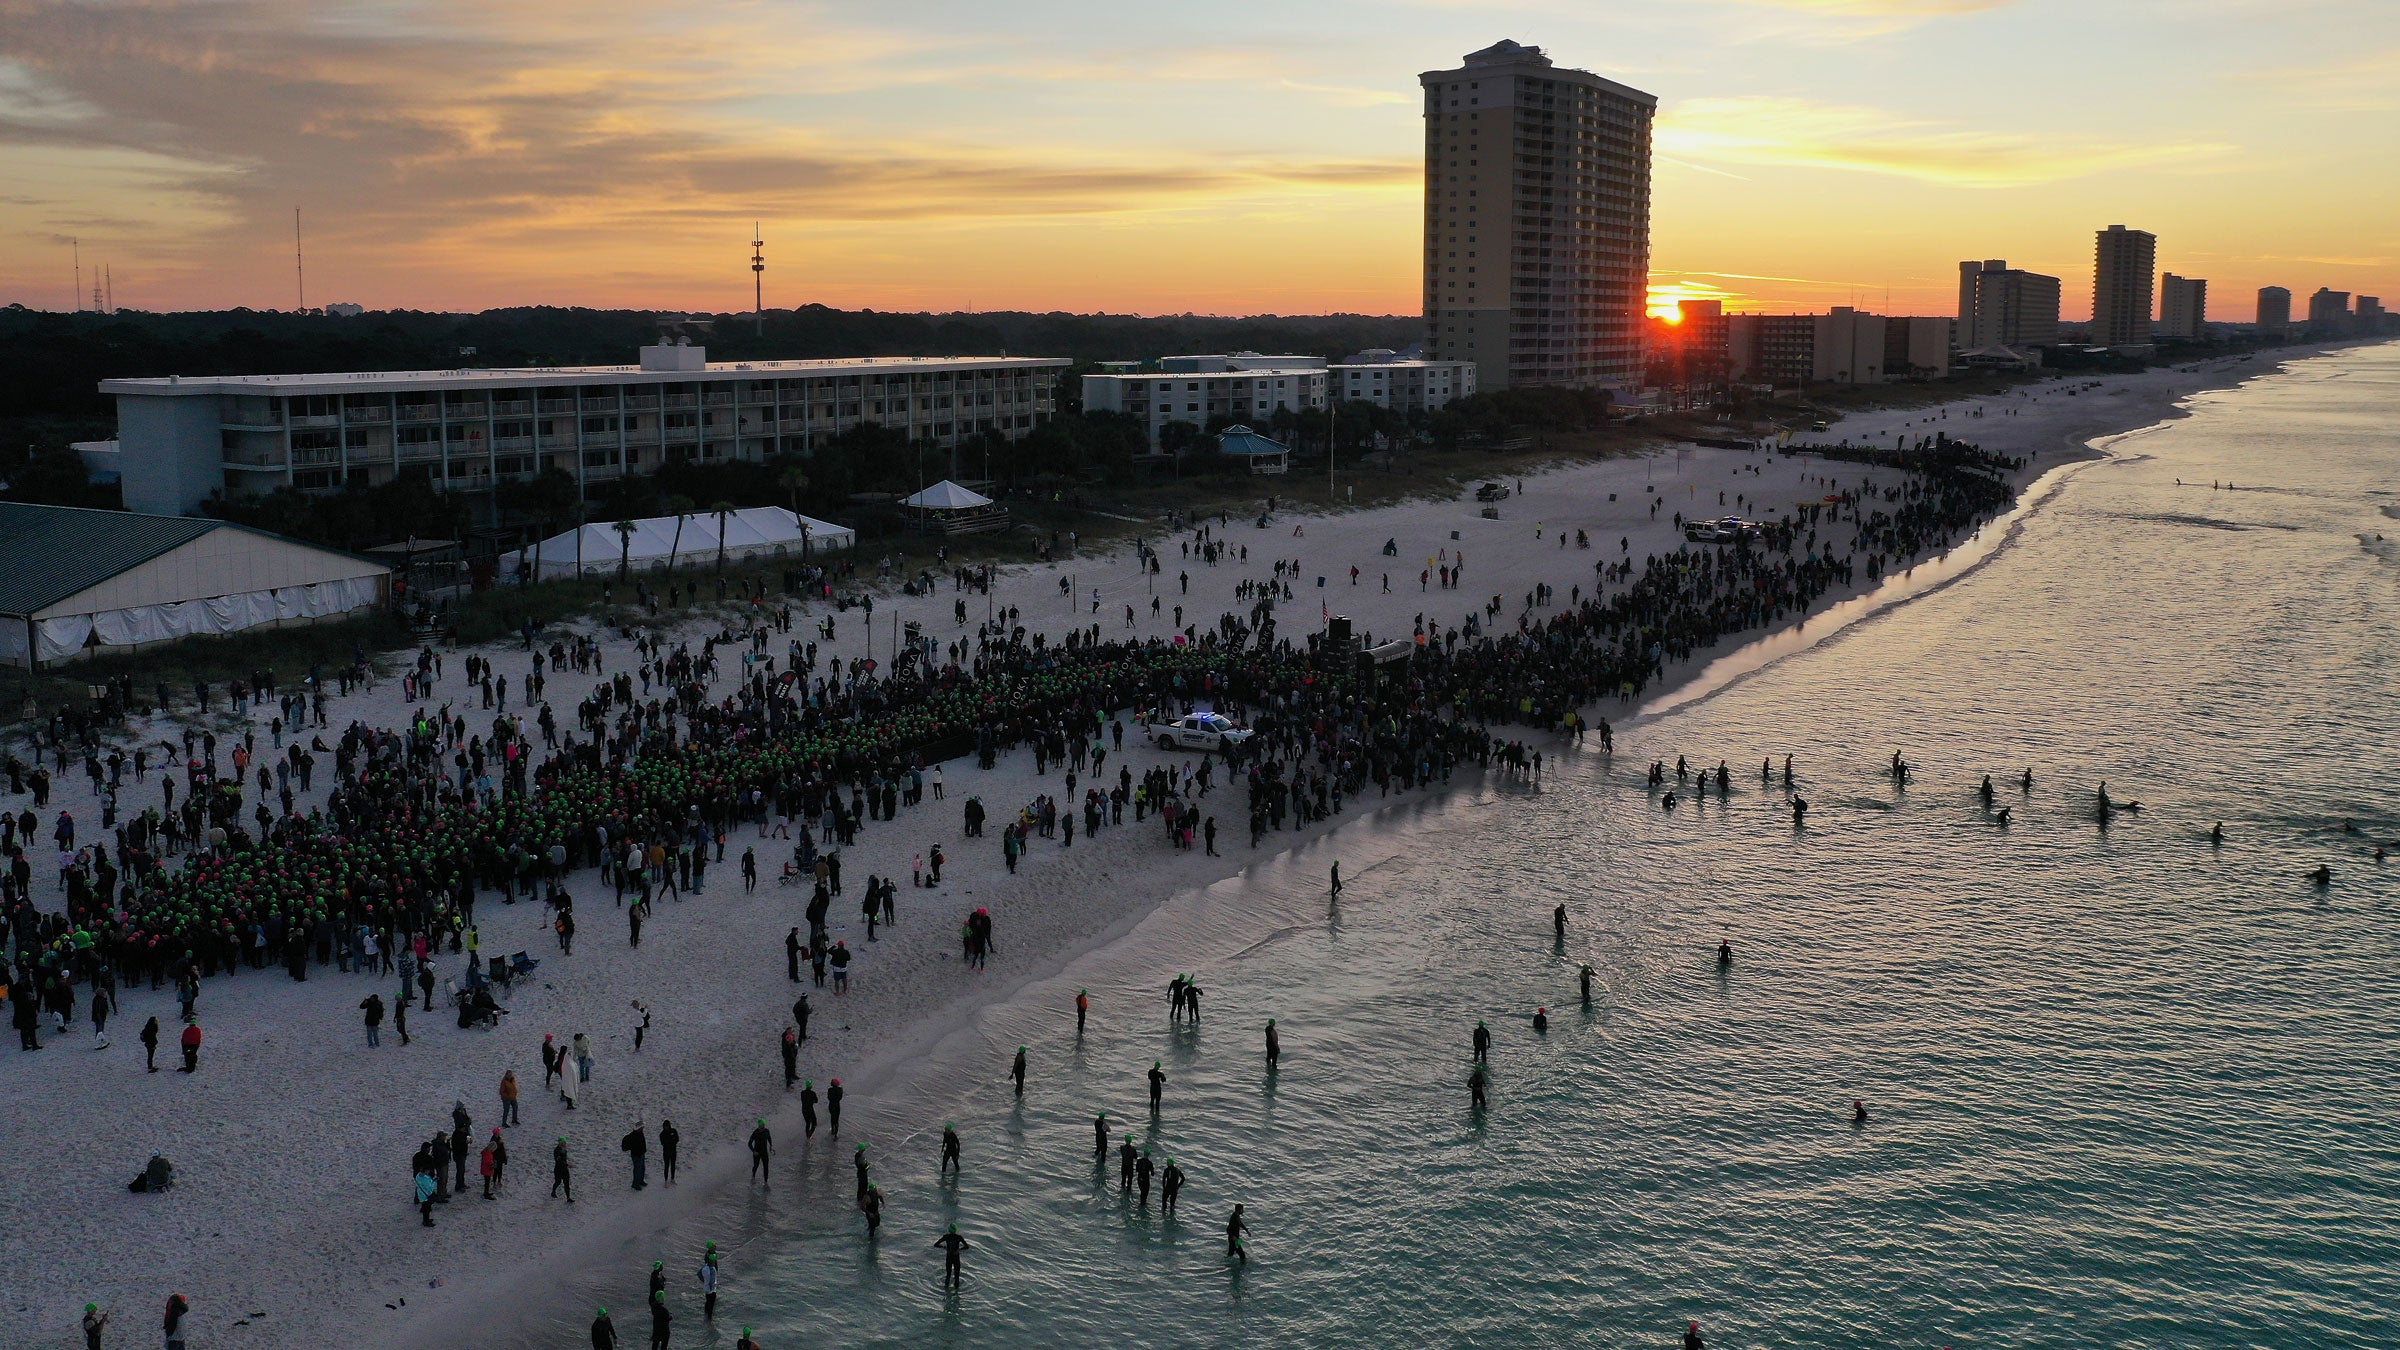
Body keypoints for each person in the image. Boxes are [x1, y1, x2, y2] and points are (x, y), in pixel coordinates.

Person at [697, 1241, 720, 1321]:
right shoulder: (711, 1269)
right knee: (711, 1303)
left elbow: (699, 1274)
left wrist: (705, 1282)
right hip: (711, 1290)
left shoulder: (706, 1268)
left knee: (708, 1302)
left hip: (708, 1289)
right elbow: (711, 1280)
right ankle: (709, 1318)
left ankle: (707, 1314)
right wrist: (710, 1285)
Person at [622, 1121, 649, 1190]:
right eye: (642, 1127)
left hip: (641, 1154)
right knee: (637, 1170)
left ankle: (640, 1181)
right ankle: (635, 1184)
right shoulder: (633, 1135)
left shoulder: (640, 1134)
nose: (643, 1128)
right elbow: (631, 1145)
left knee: (642, 1168)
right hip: (636, 1155)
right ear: (638, 1128)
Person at [749, 1118, 773, 1188]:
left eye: (764, 1124)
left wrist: (771, 1146)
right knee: (756, 1165)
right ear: (759, 1125)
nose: (764, 1126)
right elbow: (749, 1143)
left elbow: (769, 1138)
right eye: (762, 1125)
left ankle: (766, 1182)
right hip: (757, 1153)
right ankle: (753, 1176)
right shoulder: (755, 1133)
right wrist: (753, 1151)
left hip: (764, 1152)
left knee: (766, 1167)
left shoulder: (766, 1131)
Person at [552, 1136, 574, 1202]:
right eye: (563, 1142)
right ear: (560, 1143)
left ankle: (568, 1198)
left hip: (565, 1169)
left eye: (565, 1142)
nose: (565, 1143)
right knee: (558, 1182)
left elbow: (564, 1159)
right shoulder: (557, 1150)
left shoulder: (564, 1150)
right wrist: (567, 1164)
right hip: (558, 1169)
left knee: (566, 1184)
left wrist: (566, 1165)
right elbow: (559, 1161)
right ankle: (553, 1192)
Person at [659, 1118, 680, 1183]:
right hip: (666, 1153)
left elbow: (677, 1139)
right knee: (666, 1166)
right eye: (665, 1126)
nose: (666, 1127)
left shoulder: (674, 1131)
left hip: (673, 1151)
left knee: (673, 1165)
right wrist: (671, 1141)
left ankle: (672, 1178)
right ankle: (666, 1180)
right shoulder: (662, 1134)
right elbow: (663, 1143)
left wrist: (671, 1141)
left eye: (667, 1126)